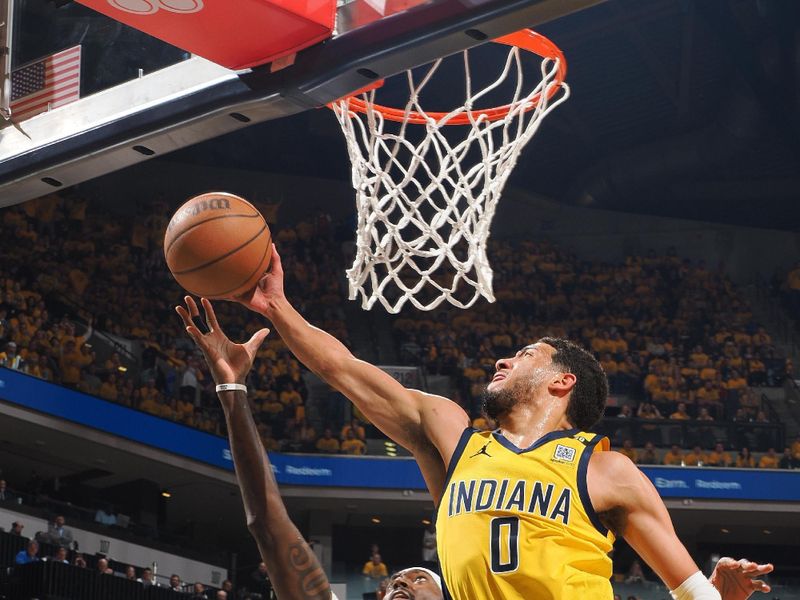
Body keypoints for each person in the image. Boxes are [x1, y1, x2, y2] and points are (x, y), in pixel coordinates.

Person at [227, 248, 776, 600]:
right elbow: (347, 371)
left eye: (526, 355)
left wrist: (721, 597)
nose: (504, 361)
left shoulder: (608, 470)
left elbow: (690, 594)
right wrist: (276, 306)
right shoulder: (452, 435)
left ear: (564, 383)